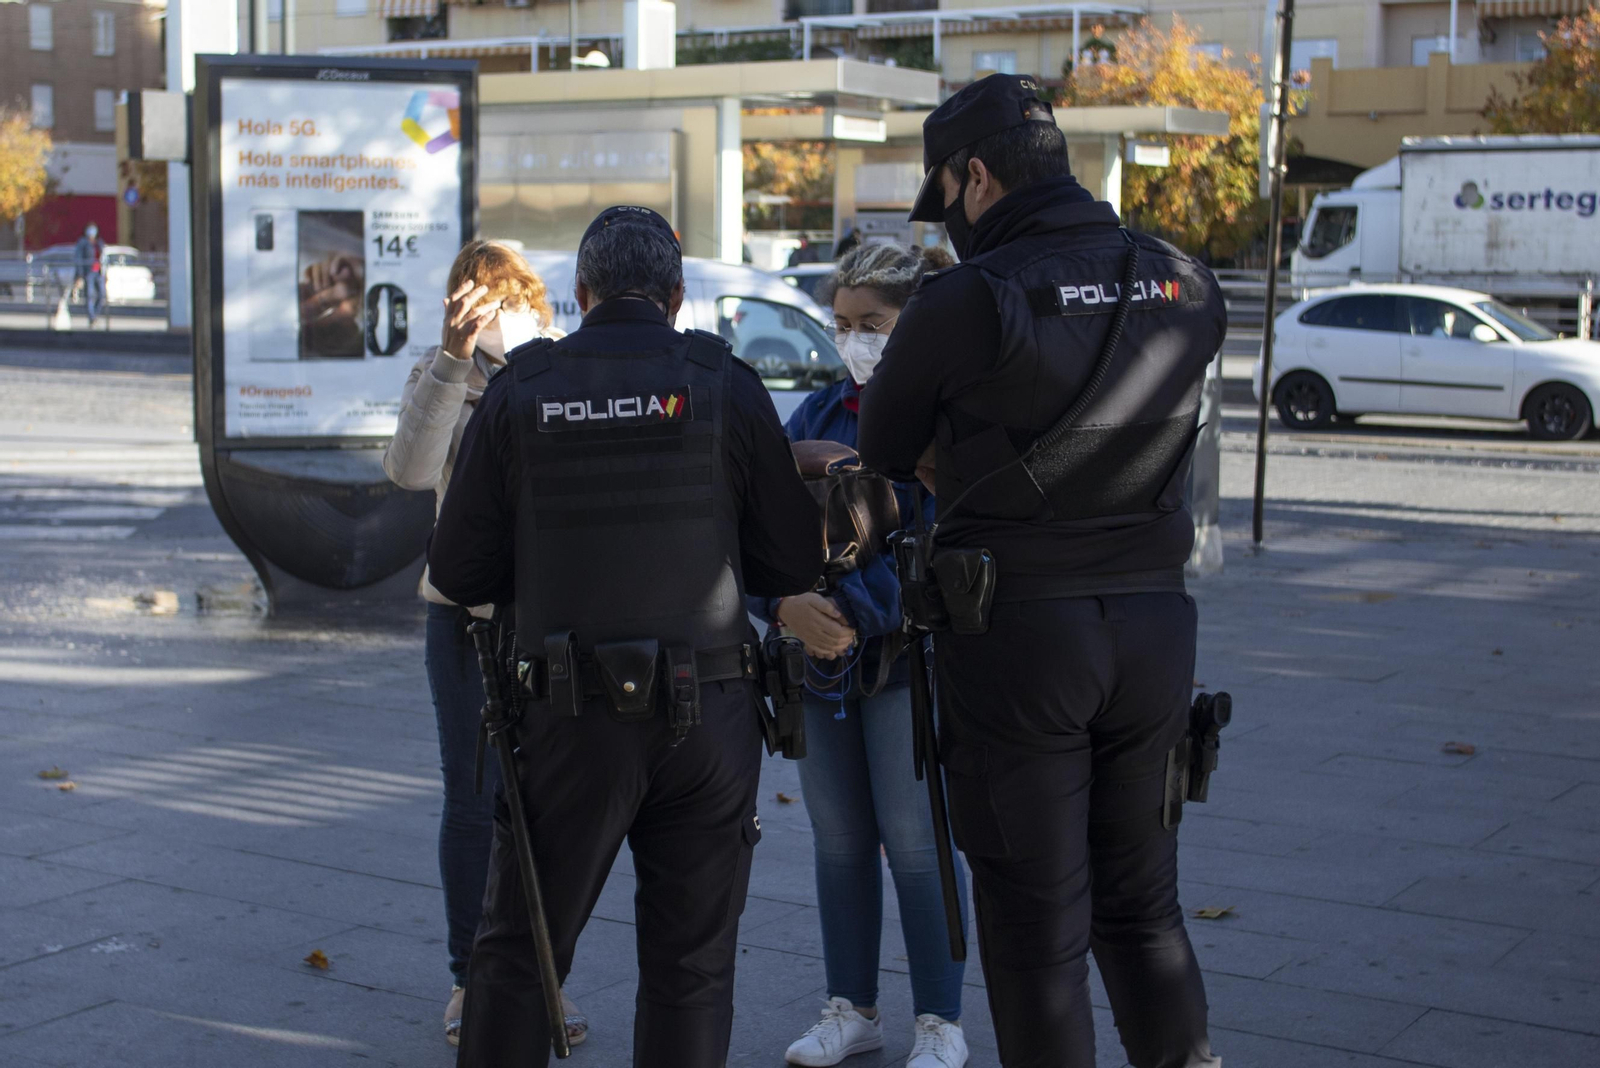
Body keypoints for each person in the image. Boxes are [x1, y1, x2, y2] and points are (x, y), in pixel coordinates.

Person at [857, 74, 1228, 1068]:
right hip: (1154, 630)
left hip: (1016, 640)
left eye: (949, 204)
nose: (949, 230)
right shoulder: (1186, 280)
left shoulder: (970, 299)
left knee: (1034, 937)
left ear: (975, 178)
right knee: (1144, 908)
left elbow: (886, 444)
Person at [429, 205, 823, 1067]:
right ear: (678, 297)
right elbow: (790, 556)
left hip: (566, 720)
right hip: (710, 717)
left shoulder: (523, 390)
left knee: (520, 954)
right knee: (692, 968)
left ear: (580, 292)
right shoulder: (724, 380)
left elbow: (457, 574)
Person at [749, 243, 969, 1068]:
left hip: (909, 665)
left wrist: (853, 609)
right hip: (820, 664)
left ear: (914, 324)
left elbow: (947, 545)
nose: (853, 340)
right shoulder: (815, 416)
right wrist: (785, 608)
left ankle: (940, 1022)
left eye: (871, 324)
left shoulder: (950, 418)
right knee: (838, 839)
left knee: (916, 841)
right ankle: (852, 1008)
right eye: (842, 324)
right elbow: (758, 530)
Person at [382, 239, 590, 1050]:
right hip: (461, 617)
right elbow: (408, 471)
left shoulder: (561, 368)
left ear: (532, 301)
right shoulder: (442, 374)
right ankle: (470, 977)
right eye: (472, 299)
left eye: (502, 296)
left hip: (548, 615)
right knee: (472, 800)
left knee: (547, 804)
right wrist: (451, 361)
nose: (488, 312)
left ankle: (545, 976)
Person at [73, 223, 105, 326]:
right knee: (89, 295)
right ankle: (92, 317)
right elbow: (78, 259)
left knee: (101, 295)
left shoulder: (99, 243)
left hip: (98, 272)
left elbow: (103, 256)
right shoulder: (83, 243)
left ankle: (95, 314)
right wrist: (80, 274)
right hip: (89, 272)